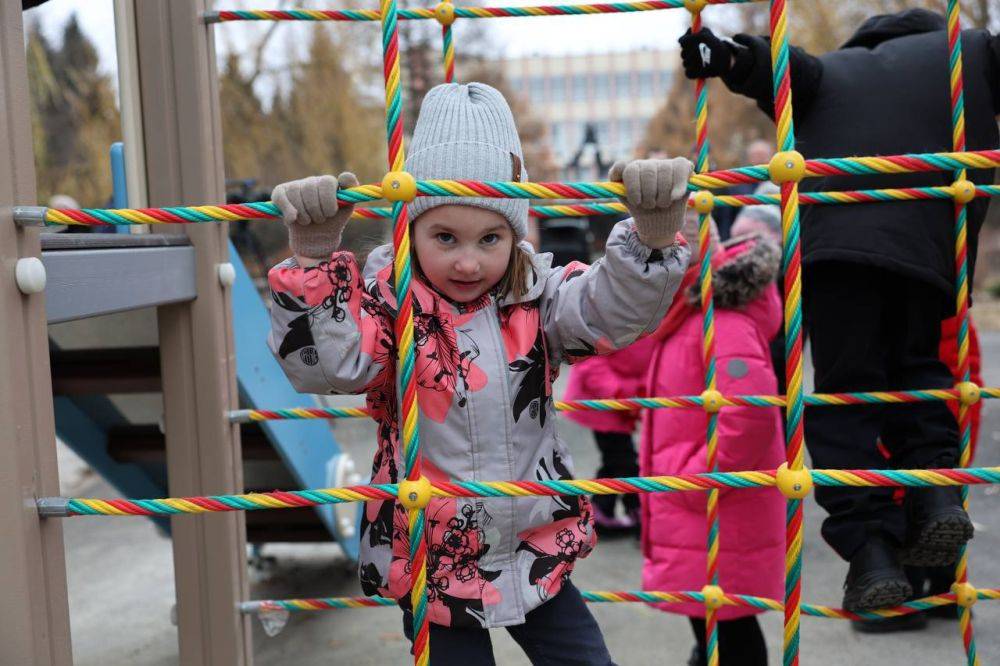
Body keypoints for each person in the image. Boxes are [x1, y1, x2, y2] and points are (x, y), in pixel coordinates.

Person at [266, 82, 693, 665]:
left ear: (514, 236)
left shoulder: (538, 300)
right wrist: (314, 257)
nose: (468, 261)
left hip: (534, 545)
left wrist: (653, 236)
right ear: (410, 231)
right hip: (433, 558)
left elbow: (610, 313)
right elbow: (332, 366)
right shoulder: (389, 307)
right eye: (445, 237)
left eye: (490, 238)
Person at [677, 9, 999, 610]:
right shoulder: (968, 53)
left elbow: (770, 67)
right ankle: (934, 494)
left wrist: (720, 54)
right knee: (921, 369)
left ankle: (869, 547)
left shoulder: (829, 71)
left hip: (834, 252)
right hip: (927, 241)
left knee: (848, 390)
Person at [641, 212, 784, 666]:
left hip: (713, 504)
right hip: (698, 503)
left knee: (729, 627)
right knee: (713, 625)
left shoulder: (720, 323)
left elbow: (749, 415)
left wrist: (696, 476)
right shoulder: (686, 318)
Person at [712, 139, 774, 241]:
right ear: (750, 158)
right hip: (741, 239)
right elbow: (726, 218)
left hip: (773, 238)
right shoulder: (737, 184)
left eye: (762, 155)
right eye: (756, 155)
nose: (760, 159)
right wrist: (725, 242)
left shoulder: (778, 183)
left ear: (770, 157)